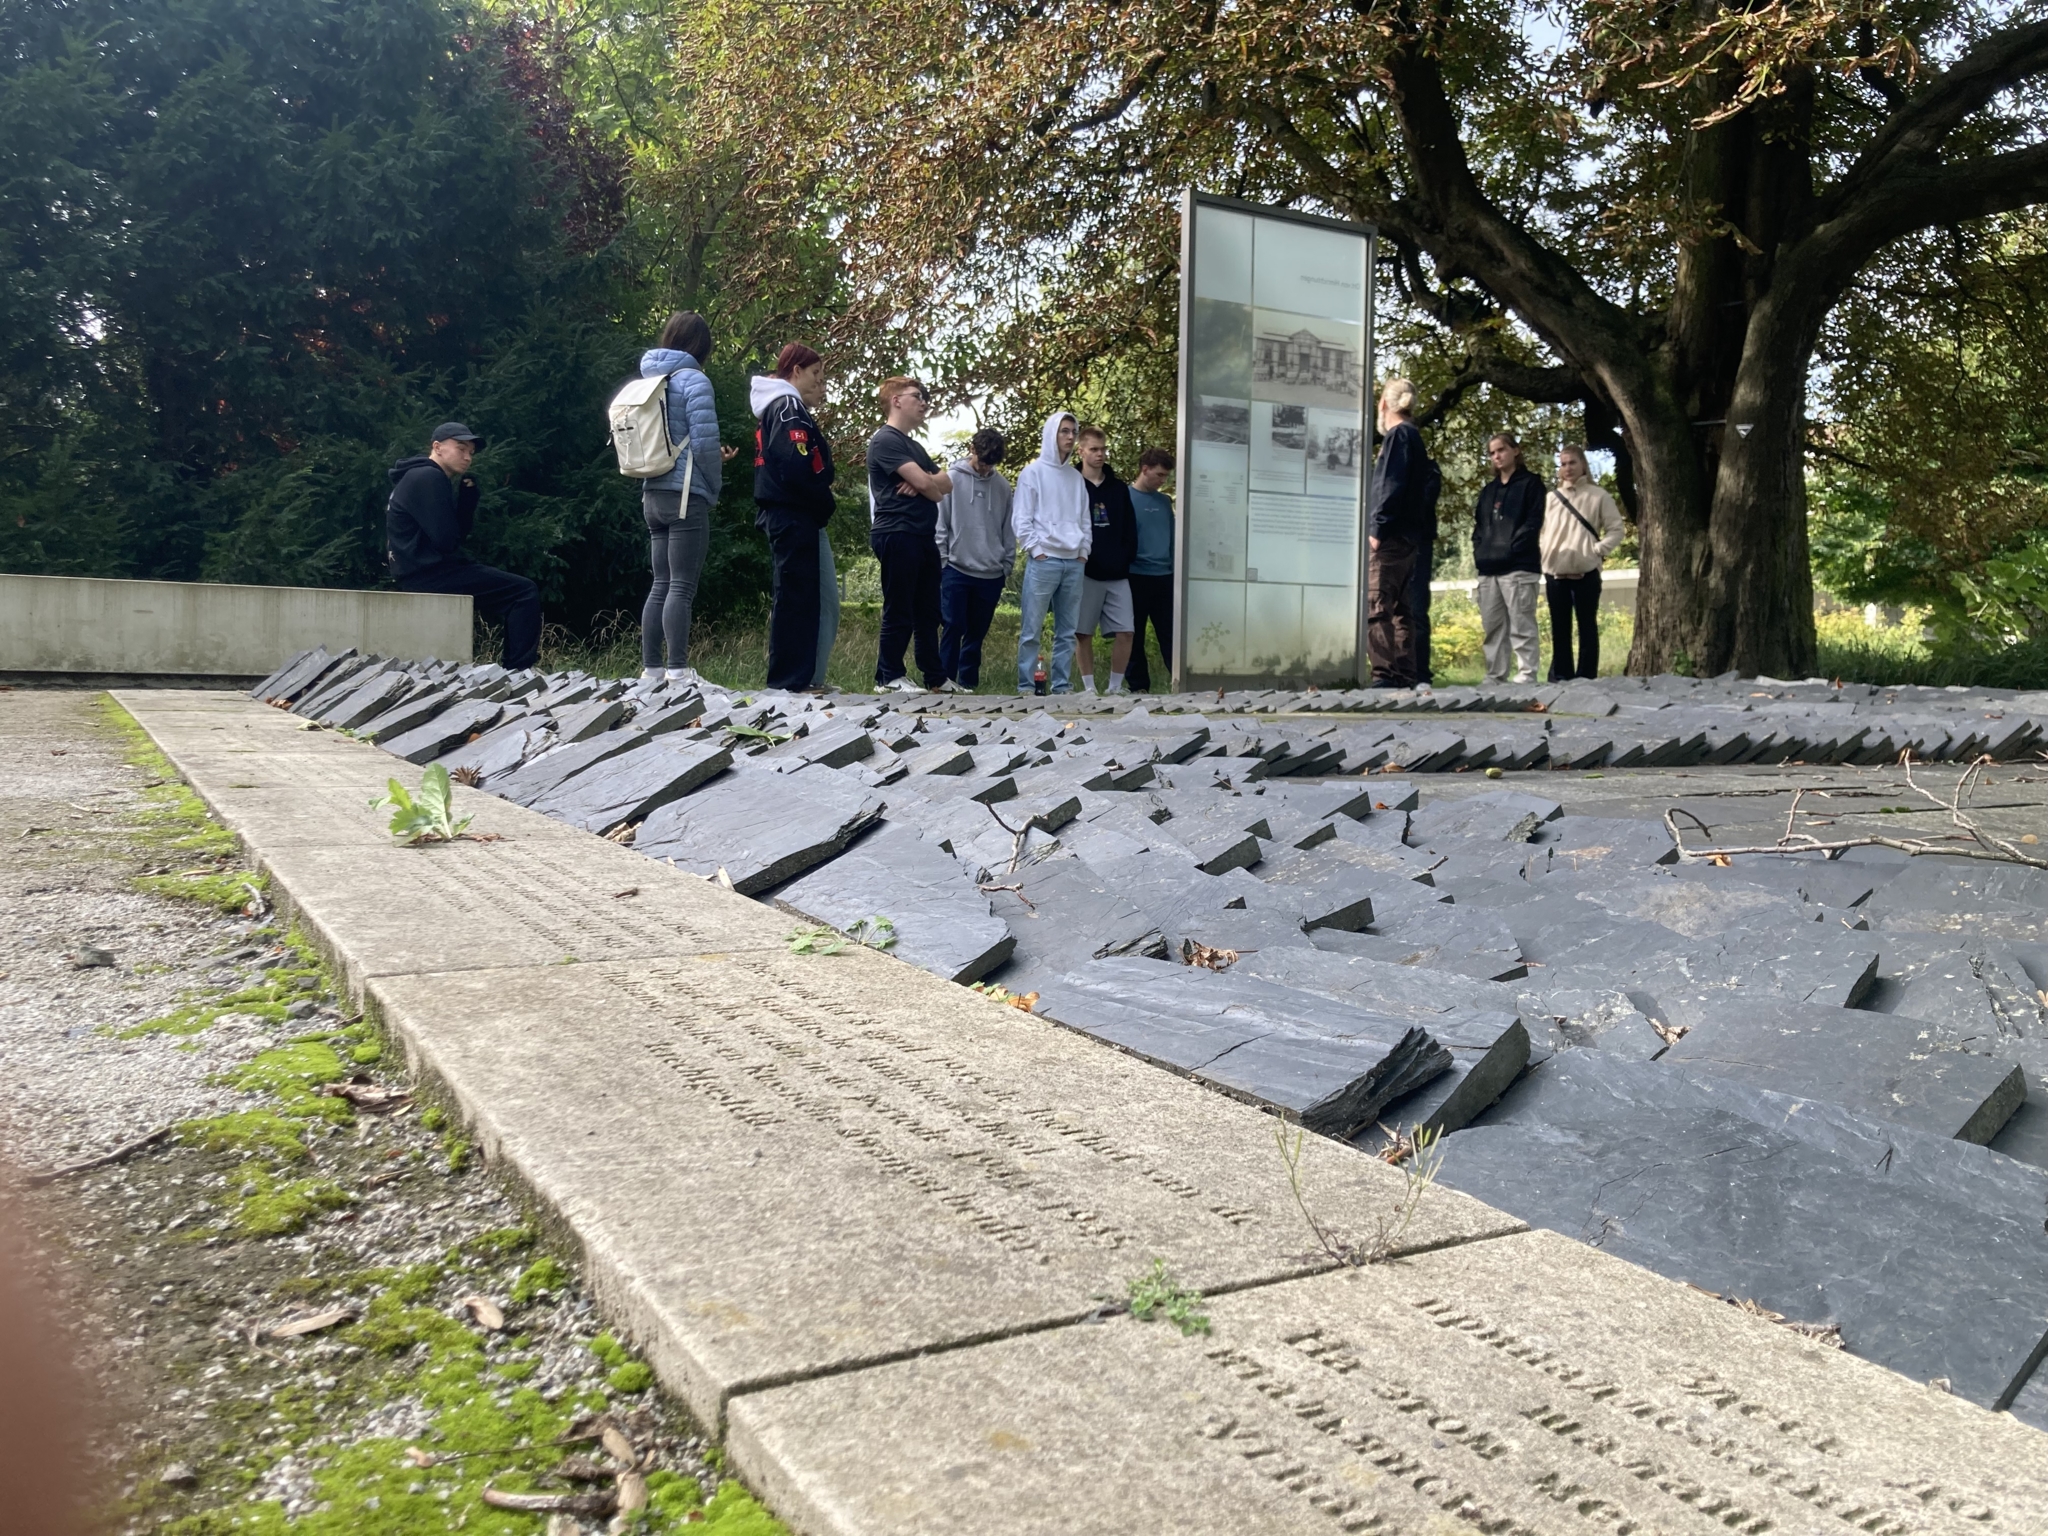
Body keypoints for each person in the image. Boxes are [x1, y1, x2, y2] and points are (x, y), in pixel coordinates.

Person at [386, 422, 543, 671]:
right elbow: (447, 541)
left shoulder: (417, 476)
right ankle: (520, 671)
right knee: (523, 592)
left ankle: (517, 669)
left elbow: (452, 536)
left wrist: (468, 500)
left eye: (471, 452)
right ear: (437, 447)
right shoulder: (429, 477)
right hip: (429, 574)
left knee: (515, 591)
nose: (467, 457)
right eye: (461, 449)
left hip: (418, 571)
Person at [638, 311, 729, 682]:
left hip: (651, 492)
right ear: (701, 346)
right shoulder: (694, 380)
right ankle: (678, 669)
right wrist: (715, 483)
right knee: (681, 585)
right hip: (685, 494)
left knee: (660, 582)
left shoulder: (649, 378)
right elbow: (705, 443)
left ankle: (651, 669)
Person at [751, 343, 836, 692]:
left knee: (806, 595)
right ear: (795, 372)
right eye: (815, 374)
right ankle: (789, 683)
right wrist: (823, 498)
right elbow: (795, 463)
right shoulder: (787, 406)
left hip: (791, 512)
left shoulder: (779, 406)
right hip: (793, 512)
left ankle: (805, 679)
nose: (822, 384)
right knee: (796, 596)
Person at [867, 376, 950, 691]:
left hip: (922, 535)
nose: (925, 402)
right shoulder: (885, 440)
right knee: (899, 606)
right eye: (918, 395)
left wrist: (923, 480)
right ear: (896, 400)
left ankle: (935, 678)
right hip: (897, 532)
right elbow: (934, 486)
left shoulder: (914, 446)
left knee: (928, 610)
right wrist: (927, 484)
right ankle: (888, 676)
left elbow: (946, 484)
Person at [1364, 380, 1438, 688]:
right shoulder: (1415, 438)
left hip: (1390, 536)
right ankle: (1406, 673)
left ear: (1383, 404)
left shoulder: (1397, 437)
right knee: (1402, 610)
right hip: (1410, 538)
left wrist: (1377, 528)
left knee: (1378, 604)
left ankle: (1384, 674)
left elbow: (1389, 486)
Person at [1011, 411, 1091, 694]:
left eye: (1073, 432)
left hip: (1073, 562)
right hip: (1044, 561)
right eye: (1064, 431)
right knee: (1031, 629)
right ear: (1051, 434)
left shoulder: (1075, 477)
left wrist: (1083, 551)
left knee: (1067, 632)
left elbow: (1084, 519)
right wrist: (1037, 550)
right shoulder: (1032, 473)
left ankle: (1061, 685)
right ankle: (1026, 685)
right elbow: (1021, 518)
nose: (1070, 437)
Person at [935, 427, 1013, 691]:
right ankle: (944, 681)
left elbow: (1007, 528)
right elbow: (940, 522)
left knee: (976, 634)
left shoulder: (1002, 486)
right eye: (982, 462)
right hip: (956, 567)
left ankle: (968, 684)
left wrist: (1006, 564)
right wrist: (943, 560)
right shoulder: (951, 479)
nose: (984, 470)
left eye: (990, 465)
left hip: (991, 572)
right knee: (953, 626)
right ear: (972, 450)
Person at [1542, 443, 1626, 680]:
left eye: (1572, 463)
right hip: (1555, 571)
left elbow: (1616, 530)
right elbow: (1542, 532)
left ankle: (1586, 676)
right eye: (1563, 464)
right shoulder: (1550, 499)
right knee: (1559, 628)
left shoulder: (1599, 496)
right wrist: (1545, 553)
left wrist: (1596, 550)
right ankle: (1561, 675)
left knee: (1586, 626)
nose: (1567, 468)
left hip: (1586, 571)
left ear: (1583, 465)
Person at [1473, 430, 1546, 684]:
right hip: (1488, 570)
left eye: (1501, 450)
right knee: (1493, 627)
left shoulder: (1531, 484)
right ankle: (1495, 675)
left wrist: (1511, 549)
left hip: (1519, 567)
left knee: (1521, 623)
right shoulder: (1488, 491)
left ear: (1515, 450)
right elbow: (1479, 528)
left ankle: (1526, 674)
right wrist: (1480, 553)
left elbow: (1533, 522)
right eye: (1492, 453)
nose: (1497, 456)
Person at [1072, 425, 1137, 695]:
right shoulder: (1071, 483)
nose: (1100, 455)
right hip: (1086, 570)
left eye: (1103, 449)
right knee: (1082, 632)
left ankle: (1114, 686)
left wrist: (1124, 559)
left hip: (1118, 573)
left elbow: (1130, 528)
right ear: (1081, 451)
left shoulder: (1119, 488)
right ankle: (1088, 688)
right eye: (1094, 450)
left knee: (1126, 631)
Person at [1124, 447, 1176, 692]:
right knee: (1133, 635)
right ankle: (1138, 687)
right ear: (1144, 470)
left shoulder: (1165, 502)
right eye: (1159, 475)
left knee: (1170, 634)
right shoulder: (1125, 498)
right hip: (1134, 576)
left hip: (1164, 577)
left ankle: (1180, 682)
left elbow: (1174, 538)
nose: (1162, 480)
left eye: (1165, 476)